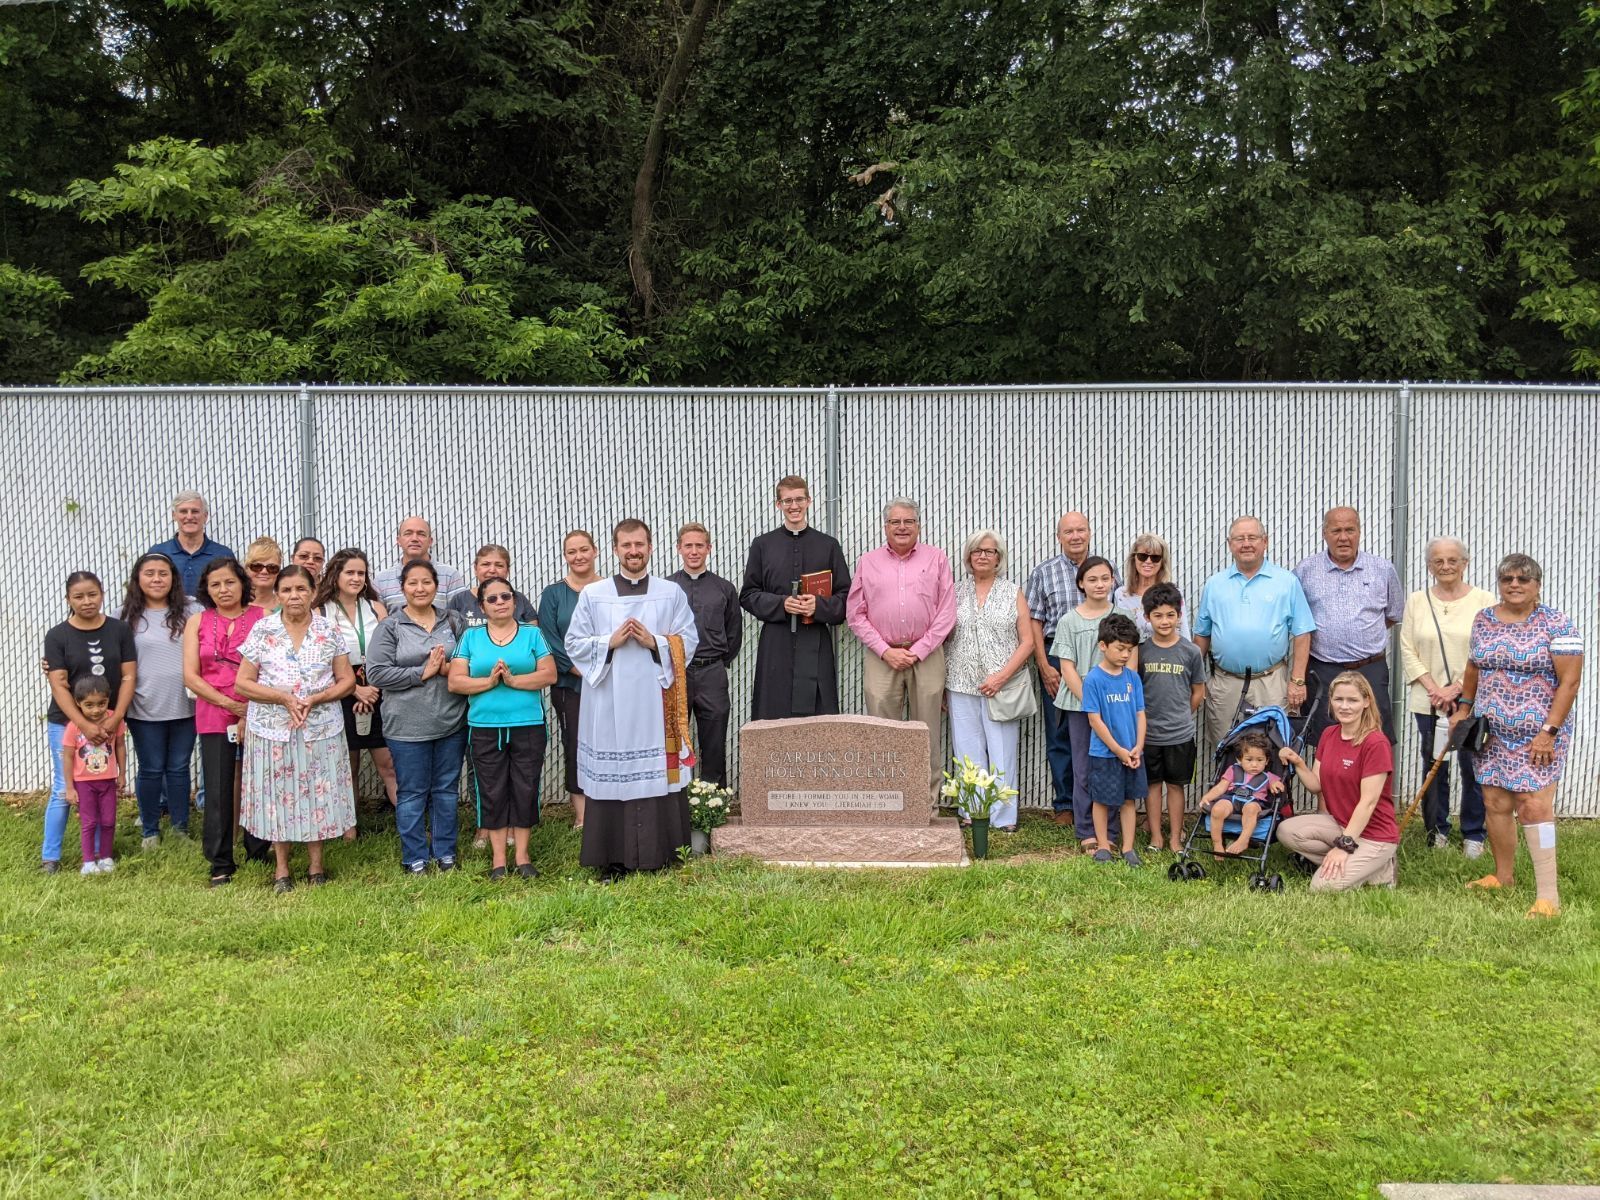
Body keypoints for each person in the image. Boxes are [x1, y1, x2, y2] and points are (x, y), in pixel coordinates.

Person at [566, 519, 699, 880]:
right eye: (626, 545)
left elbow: (688, 640)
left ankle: (662, 854)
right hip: (608, 703)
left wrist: (654, 642)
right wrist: (608, 642)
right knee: (612, 775)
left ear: (650, 547)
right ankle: (613, 859)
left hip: (656, 704)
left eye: (639, 544)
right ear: (615, 549)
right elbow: (573, 643)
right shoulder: (594, 595)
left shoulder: (670, 593)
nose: (633, 551)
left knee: (656, 774)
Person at [1451, 554, 1583, 918]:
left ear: (1537, 585)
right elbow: (1474, 666)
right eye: (1507, 578)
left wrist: (1548, 732)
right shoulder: (1484, 619)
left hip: (1540, 734)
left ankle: (1548, 897)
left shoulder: (1557, 623)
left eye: (1523, 579)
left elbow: (1570, 682)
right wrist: (1464, 707)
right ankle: (1502, 876)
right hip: (1491, 732)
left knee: (1534, 806)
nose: (1514, 584)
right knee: (1495, 802)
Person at [234, 565, 357, 893]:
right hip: (273, 729)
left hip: (320, 727)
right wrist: (282, 697)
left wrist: (317, 698)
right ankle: (282, 869)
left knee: (317, 793)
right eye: (287, 590)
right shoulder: (263, 629)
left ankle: (316, 866)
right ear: (277, 595)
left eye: (301, 589)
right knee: (279, 796)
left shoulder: (328, 629)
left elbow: (346, 680)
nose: (294, 596)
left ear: (313, 592)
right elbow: (243, 683)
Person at [364, 561, 469, 874]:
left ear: (436, 585)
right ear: (403, 588)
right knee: (412, 792)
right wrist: (421, 673)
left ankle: (445, 852)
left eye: (426, 582)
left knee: (446, 790)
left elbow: (470, 661)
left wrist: (446, 669)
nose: (420, 588)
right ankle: (415, 857)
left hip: (451, 721)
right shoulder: (390, 627)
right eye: (413, 583)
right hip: (406, 726)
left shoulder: (454, 621)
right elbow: (377, 673)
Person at [846, 498, 956, 798]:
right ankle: (887, 800)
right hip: (882, 656)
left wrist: (919, 650)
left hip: (927, 655)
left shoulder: (936, 558)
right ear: (885, 527)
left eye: (909, 521)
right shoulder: (868, 562)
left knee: (927, 731)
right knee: (882, 732)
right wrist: (884, 650)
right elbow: (855, 614)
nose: (902, 527)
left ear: (918, 526)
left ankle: (927, 803)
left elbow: (947, 611)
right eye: (895, 522)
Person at [449, 576, 557, 879]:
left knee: (525, 787)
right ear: (482, 606)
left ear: (514, 600)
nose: (500, 603)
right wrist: (488, 683)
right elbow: (455, 681)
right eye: (492, 599)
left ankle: (522, 856)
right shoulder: (470, 638)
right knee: (491, 789)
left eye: (506, 596)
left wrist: (513, 681)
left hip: (527, 724)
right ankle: (498, 859)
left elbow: (549, 674)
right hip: (484, 726)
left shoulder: (532, 634)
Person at [1398, 537, 1494, 856]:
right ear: (1429, 566)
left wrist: (1458, 688)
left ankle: (1474, 834)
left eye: (1453, 560)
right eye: (1438, 561)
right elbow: (1407, 648)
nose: (1446, 566)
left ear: (1465, 563)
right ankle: (1436, 831)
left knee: (1472, 765)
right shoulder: (1417, 601)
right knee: (1434, 765)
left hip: (1472, 698)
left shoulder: (1484, 600)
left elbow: (1487, 649)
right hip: (1428, 700)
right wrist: (1434, 688)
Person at [41, 572, 137, 874]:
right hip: (67, 723)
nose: (86, 601)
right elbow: (58, 684)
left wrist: (115, 717)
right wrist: (82, 724)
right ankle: (50, 857)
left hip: (108, 723)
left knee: (101, 783)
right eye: (79, 596)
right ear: (68, 599)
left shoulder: (119, 630)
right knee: (64, 787)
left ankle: (98, 853)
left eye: (92, 594)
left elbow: (128, 676)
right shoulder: (57, 636)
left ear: (102, 594)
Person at [183, 557, 270, 886]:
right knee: (218, 787)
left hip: (258, 710)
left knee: (258, 783)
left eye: (230, 582)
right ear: (206, 589)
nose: (223, 589)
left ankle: (259, 850)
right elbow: (191, 675)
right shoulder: (198, 621)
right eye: (215, 584)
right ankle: (220, 860)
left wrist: (249, 708)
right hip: (213, 711)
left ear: (242, 583)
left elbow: (271, 668)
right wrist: (230, 705)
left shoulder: (263, 618)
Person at [1193, 516, 1316, 746]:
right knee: (1226, 748)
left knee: (1273, 748)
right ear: (1230, 544)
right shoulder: (1215, 584)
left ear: (1265, 542)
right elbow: (1202, 635)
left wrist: (1297, 681)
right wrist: (1193, 679)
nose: (1246, 544)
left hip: (1271, 683)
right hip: (1226, 683)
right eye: (1240, 538)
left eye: (1252, 537)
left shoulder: (1286, 582)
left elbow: (1302, 633)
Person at [1025, 511, 1115, 824]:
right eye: (1068, 531)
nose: (1075, 536)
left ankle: (1101, 802)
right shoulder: (1043, 572)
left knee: (1101, 726)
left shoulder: (1105, 569)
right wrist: (1043, 664)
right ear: (1058, 537)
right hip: (1056, 656)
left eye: (1080, 530)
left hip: (1101, 657)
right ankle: (1066, 803)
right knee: (1060, 730)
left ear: (1089, 532)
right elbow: (1034, 621)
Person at [741, 475, 851, 720]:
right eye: (787, 500)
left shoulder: (828, 545)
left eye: (799, 499)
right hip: (776, 642)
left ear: (809, 501)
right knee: (773, 710)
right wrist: (781, 604)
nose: (794, 506)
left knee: (818, 717)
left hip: (815, 639)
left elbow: (846, 598)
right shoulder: (762, 545)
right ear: (778, 504)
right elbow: (748, 595)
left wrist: (818, 606)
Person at [1276, 671, 1398, 892]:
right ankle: (1363, 866)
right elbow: (1316, 785)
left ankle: (1379, 864)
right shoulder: (1329, 734)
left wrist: (1344, 846)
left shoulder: (1376, 743)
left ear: (1366, 702)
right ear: (1331, 701)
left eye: (1353, 700)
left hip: (1375, 834)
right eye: (1338, 699)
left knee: (1321, 887)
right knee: (1286, 831)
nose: (1344, 706)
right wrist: (1298, 762)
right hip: (1340, 824)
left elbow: (1368, 802)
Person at [944, 530, 1033, 832]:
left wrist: (1002, 676)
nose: (983, 556)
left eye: (989, 551)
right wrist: (941, 685)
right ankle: (973, 810)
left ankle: (1004, 816)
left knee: (1001, 750)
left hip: (1002, 686)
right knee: (967, 750)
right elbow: (944, 638)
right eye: (976, 551)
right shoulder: (954, 591)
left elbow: (1027, 641)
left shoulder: (1012, 592)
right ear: (968, 557)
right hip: (960, 682)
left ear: (999, 558)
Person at [1293, 507, 1404, 743]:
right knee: (1324, 739)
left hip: (1369, 669)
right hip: (1322, 670)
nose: (1343, 537)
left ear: (1359, 532)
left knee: (1373, 736)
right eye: (1336, 531)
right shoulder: (1305, 571)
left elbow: (1393, 614)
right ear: (1325, 534)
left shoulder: (1383, 569)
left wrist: (1362, 634)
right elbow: (1296, 619)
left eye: (1349, 530)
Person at [115, 552, 200, 848]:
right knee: (151, 768)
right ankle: (150, 831)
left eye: (163, 573)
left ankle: (180, 828)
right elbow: (95, 641)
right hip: (143, 705)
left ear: (173, 578)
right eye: (149, 573)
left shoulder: (192, 610)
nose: (156, 579)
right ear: (138, 578)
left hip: (185, 705)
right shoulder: (123, 615)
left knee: (178, 767)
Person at [312, 548, 399, 829]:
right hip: (340, 692)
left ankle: (408, 826)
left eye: (361, 573)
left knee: (388, 764)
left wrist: (372, 687)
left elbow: (389, 651)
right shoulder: (320, 611)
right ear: (335, 575)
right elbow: (319, 661)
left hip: (376, 690)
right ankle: (348, 830)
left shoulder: (376, 608)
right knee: (347, 767)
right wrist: (354, 690)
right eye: (350, 572)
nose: (356, 578)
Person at [1049, 556, 1122, 850]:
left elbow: (1130, 661)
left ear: (1113, 581)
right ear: (1081, 583)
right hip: (1080, 705)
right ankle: (1086, 829)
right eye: (1092, 579)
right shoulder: (1069, 621)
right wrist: (1092, 702)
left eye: (1105, 578)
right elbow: (1067, 668)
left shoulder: (1121, 617)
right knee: (1083, 766)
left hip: (1116, 703)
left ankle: (1111, 830)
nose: (1099, 584)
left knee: (1111, 764)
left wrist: (1115, 700)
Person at [667, 523, 743, 789]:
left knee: (714, 739)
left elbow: (734, 633)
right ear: (679, 548)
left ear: (709, 548)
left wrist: (717, 662)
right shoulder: (666, 588)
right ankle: (674, 797)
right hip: (675, 673)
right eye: (688, 545)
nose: (694, 551)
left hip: (712, 672)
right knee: (673, 737)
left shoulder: (724, 588)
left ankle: (713, 799)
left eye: (699, 545)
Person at [539, 530, 601, 828]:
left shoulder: (610, 589)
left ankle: (609, 805)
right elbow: (550, 639)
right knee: (575, 743)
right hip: (570, 685)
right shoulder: (554, 594)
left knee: (609, 743)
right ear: (565, 556)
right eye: (572, 551)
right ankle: (583, 815)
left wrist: (604, 671)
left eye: (584, 549)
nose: (578, 556)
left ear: (595, 551)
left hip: (608, 684)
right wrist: (583, 670)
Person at [1138, 583, 1207, 852]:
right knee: (1152, 785)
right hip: (1149, 734)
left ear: (1179, 616)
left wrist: (1182, 715)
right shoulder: (1141, 651)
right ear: (1147, 617)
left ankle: (1176, 838)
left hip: (1180, 733)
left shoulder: (1191, 652)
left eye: (1170, 615)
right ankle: (1156, 836)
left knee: (1176, 786)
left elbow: (1198, 691)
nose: (1164, 621)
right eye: (1158, 615)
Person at [1082, 613, 1147, 866]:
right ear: (1103, 645)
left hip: (1132, 752)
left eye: (1130, 650)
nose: (1125, 655)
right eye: (1120, 648)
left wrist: (1138, 746)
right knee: (1101, 800)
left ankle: (1128, 848)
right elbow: (1094, 720)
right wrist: (1118, 750)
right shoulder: (1094, 679)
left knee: (1128, 800)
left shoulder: (1133, 678)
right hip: (1105, 754)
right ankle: (1103, 846)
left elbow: (1140, 714)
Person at [63, 677, 126, 875]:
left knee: (108, 821)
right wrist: (69, 787)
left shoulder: (114, 720)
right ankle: (89, 862)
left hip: (108, 781)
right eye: (89, 705)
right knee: (89, 822)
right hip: (84, 784)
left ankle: (106, 858)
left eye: (101, 704)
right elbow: (67, 756)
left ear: (108, 700)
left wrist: (122, 774)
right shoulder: (74, 726)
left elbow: (120, 746)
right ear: (78, 703)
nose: (96, 710)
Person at [1197, 731, 1283, 859]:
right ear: (1240, 759)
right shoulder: (1233, 770)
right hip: (1231, 798)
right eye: (1249, 760)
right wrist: (1207, 797)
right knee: (1217, 809)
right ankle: (1217, 843)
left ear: (1266, 761)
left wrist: (1276, 785)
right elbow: (1221, 787)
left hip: (1253, 801)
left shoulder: (1269, 777)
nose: (1254, 764)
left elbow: (1278, 785)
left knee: (1251, 809)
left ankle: (1243, 840)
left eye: (1260, 760)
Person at [372, 516, 469, 611]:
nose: (414, 538)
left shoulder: (450, 575)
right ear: (399, 540)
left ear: (430, 541)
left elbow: (461, 613)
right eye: (408, 533)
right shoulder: (381, 580)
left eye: (421, 534)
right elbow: (379, 618)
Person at [150, 490, 234, 598]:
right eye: (183, 511)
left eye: (195, 511)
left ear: (205, 516)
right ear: (174, 515)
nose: (189, 517)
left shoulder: (223, 554)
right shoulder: (158, 553)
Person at [1113, 533, 1189, 642]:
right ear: (1134, 559)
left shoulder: (1173, 593)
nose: (1148, 561)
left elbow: (1183, 632)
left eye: (1155, 557)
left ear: (1162, 562)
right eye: (1142, 556)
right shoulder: (1121, 594)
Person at [447, 544, 539, 627]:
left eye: (499, 565)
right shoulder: (459, 600)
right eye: (485, 564)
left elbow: (532, 633)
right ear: (475, 569)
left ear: (507, 571)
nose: (492, 570)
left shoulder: (519, 599)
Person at [242, 537, 283, 609]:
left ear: (279, 571)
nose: (264, 571)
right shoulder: (235, 606)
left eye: (272, 567)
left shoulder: (286, 605)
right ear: (246, 569)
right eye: (257, 566)